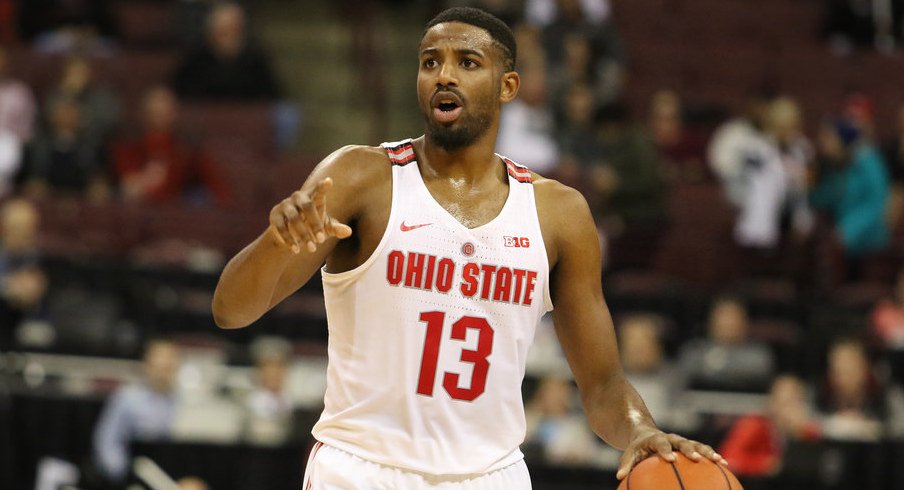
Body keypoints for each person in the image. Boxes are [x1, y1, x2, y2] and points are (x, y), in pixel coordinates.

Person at [212, 7, 724, 488]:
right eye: (430, 62)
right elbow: (230, 311)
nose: (444, 75)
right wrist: (274, 244)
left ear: (508, 87)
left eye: (467, 62)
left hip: (491, 474)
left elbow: (603, 382)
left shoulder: (559, 214)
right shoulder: (359, 179)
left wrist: (639, 429)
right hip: (363, 468)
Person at [112, 85, 233, 207]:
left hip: (177, 215)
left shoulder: (186, 149)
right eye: (154, 114)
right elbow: (129, 186)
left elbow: (220, 190)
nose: (159, 119)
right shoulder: (128, 147)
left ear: (174, 114)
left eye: (164, 113)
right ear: (143, 114)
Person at [92, 338, 181, 485]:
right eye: (159, 365)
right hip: (134, 475)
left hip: (172, 477)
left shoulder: (183, 402)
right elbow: (107, 441)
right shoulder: (127, 399)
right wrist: (126, 476)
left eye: (168, 366)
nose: (163, 371)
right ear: (146, 365)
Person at [719, 374, 821, 478]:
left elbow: (817, 463)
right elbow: (728, 458)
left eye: (795, 403)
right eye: (784, 403)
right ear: (771, 402)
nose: (788, 411)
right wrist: (764, 464)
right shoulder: (754, 424)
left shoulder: (807, 431)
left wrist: (799, 433)